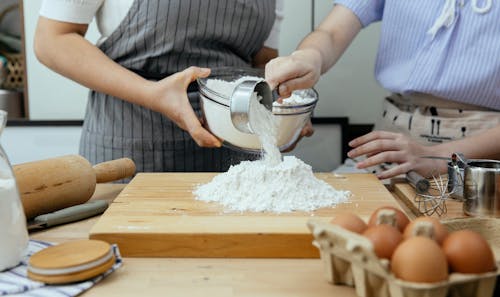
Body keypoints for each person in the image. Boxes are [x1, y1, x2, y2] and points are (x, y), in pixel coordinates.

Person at [34, 0, 284, 173]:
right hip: (133, 145)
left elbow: (262, 59)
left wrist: (281, 110)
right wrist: (151, 94)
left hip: (234, 148)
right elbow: (52, 39)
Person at [265, 0, 500, 179]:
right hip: (393, 149)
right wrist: (310, 58)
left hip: (483, 163)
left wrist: (439, 158)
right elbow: (331, 32)